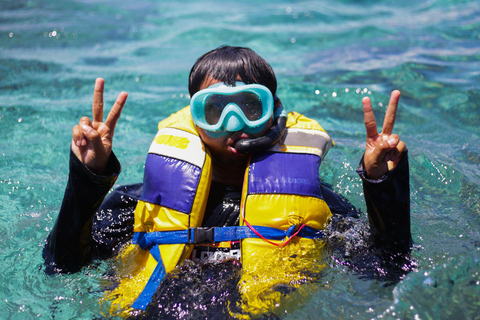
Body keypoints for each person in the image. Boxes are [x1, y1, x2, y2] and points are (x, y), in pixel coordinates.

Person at [43, 46, 411, 317]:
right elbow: (62, 266)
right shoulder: (142, 204)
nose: (234, 124)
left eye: (251, 107)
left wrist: (380, 183)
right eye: (216, 109)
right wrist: (89, 177)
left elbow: (388, 266)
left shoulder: (317, 204)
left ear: (274, 114)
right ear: (193, 118)